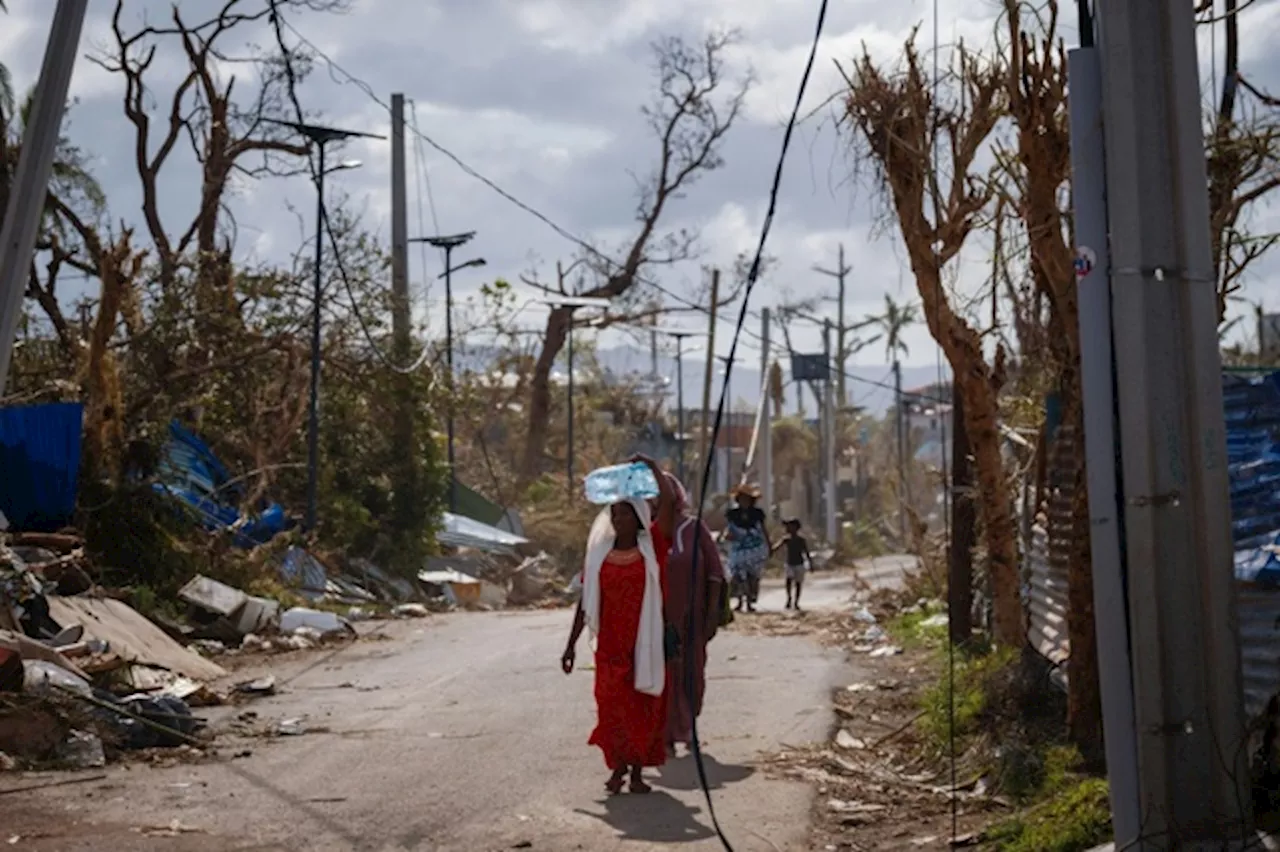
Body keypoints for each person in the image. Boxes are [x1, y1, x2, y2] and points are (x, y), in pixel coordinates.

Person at [562, 496, 673, 794]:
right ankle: (618, 767)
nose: (618, 519)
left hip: (644, 643)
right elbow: (585, 601)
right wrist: (570, 645)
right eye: (614, 514)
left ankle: (635, 771)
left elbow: (668, 506)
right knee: (610, 706)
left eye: (625, 513)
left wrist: (651, 466)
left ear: (638, 517)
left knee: (640, 706)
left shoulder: (651, 550)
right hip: (611, 646)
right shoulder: (598, 556)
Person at [657, 471, 726, 754]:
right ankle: (669, 733)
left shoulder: (694, 528)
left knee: (692, 674)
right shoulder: (646, 533)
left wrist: (712, 615)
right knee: (665, 677)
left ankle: (690, 725)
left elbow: (715, 574)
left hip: (693, 618)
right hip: (660, 622)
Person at [723, 483, 770, 612]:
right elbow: (728, 530)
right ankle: (739, 601)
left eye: (747, 499)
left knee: (752, 576)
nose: (745, 501)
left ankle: (749, 602)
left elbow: (764, 530)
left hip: (755, 548)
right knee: (738, 576)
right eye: (742, 499)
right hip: (738, 549)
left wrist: (769, 545)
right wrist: (727, 536)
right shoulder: (732, 514)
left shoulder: (758, 514)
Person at [773, 518, 813, 611]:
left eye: (790, 526)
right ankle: (789, 598)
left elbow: (806, 552)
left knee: (798, 583)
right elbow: (777, 547)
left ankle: (796, 602)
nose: (788, 528)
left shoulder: (801, 540)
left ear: (796, 528)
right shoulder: (786, 539)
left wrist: (810, 564)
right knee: (789, 580)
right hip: (789, 563)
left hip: (799, 563)